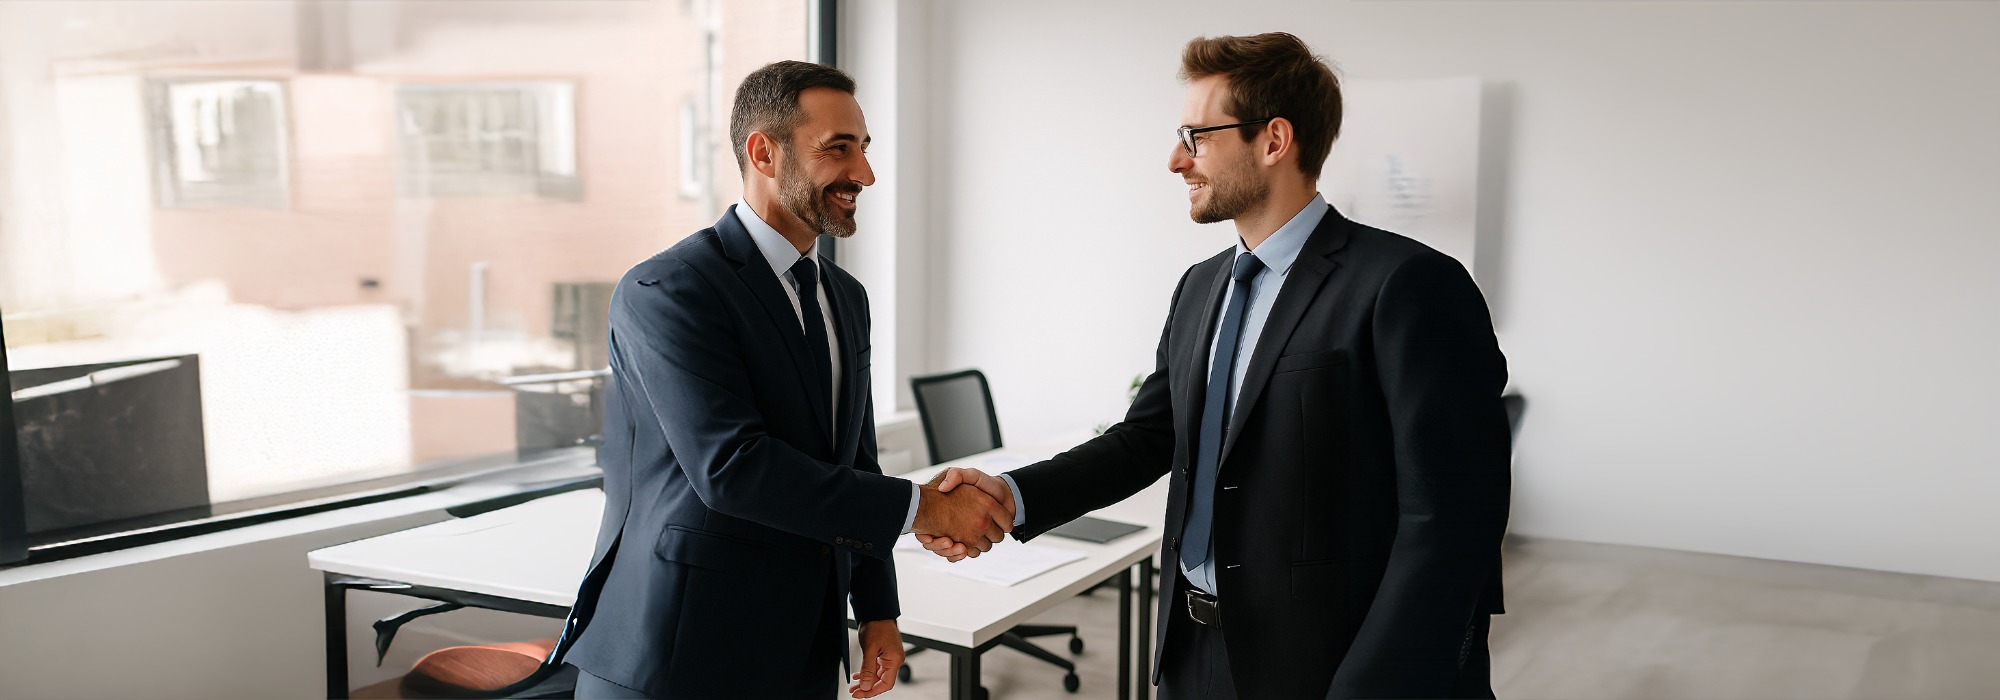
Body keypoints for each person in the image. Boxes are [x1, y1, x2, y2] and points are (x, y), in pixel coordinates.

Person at [919, 33, 1512, 699]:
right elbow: (1147, 438)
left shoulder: (1408, 285)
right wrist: (1014, 496)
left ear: (1274, 140)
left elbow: (1451, 522)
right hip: (1193, 654)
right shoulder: (1200, 287)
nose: (1175, 160)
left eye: (1195, 136)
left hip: (1332, 666)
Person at [546, 60, 1014, 700]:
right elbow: (733, 468)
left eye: (864, 149)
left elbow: (858, 459)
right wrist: (926, 507)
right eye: (838, 149)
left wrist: (878, 608)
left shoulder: (846, 297)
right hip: (676, 654)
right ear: (763, 152)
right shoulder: (668, 290)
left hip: (803, 648)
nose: (864, 174)